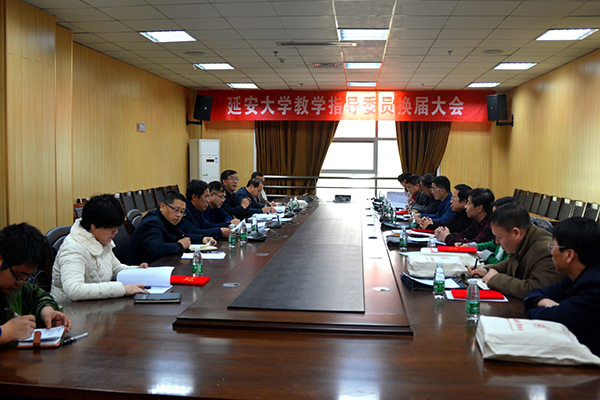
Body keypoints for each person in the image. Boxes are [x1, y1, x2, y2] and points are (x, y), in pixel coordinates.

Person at [51, 195, 149, 307]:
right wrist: (121, 289)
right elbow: (74, 290)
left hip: (95, 306)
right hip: (70, 311)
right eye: (112, 228)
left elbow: (115, 269)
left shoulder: (100, 240)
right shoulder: (73, 249)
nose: (116, 232)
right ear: (94, 227)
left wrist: (137, 270)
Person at [524, 217, 600, 356]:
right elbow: (533, 293)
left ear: (569, 255)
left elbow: (549, 319)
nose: (551, 252)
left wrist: (541, 308)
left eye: (553, 247)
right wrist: (545, 302)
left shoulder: (594, 287)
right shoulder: (573, 277)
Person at [469, 203, 563, 299]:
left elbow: (534, 289)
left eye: (499, 237)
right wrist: (486, 270)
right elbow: (511, 263)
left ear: (516, 233)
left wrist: (495, 279)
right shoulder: (525, 239)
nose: (496, 242)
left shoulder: (547, 251)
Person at [0, 223, 71, 345]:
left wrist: (46, 311)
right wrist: (6, 332)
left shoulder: (14, 286)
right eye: (19, 275)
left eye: (26, 278)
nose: (21, 283)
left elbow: (38, 296)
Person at [128, 191, 201, 265]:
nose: (179, 215)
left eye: (182, 212)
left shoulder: (168, 220)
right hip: (143, 267)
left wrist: (202, 239)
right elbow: (157, 249)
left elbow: (182, 236)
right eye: (176, 210)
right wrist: (180, 246)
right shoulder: (151, 223)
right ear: (162, 206)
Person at [469, 197, 515, 264]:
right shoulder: (501, 232)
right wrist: (472, 246)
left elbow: (503, 267)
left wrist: (488, 257)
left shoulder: (511, 244)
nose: (492, 217)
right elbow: (493, 244)